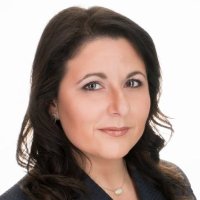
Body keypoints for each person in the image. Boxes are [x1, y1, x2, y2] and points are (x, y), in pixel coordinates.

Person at [0, 6, 196, 200]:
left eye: (132, 83)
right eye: (93, 85)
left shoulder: (173, 185)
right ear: (52, 102)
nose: (121, 107)